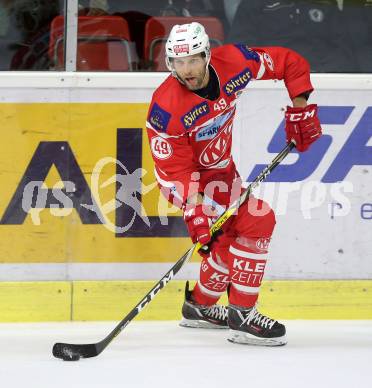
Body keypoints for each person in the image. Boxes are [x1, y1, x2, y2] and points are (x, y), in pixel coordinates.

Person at [146, 22, 322, 346]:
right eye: (177, 62)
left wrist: (302, 109)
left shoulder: (235, 64)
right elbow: (175, 171)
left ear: (207, 55)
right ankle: (242, 315)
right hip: (184, 182)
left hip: (223, 174)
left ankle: (199, 306)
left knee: (227, 244)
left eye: (193, 60)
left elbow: (288, 62)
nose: (186, 70)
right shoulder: (165, 108)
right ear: (169, 63)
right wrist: (195, 209)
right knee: (258, 219)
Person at [226, 0, 354, 73]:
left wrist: (324, 74)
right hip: (272, 81)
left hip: (322, 78)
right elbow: (240, 49)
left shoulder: (325, 4)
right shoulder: (253, 4)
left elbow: (343, 46)